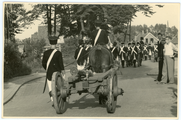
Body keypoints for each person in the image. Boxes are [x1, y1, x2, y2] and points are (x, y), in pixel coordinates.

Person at [42, 36, 65, 103]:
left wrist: (47, 69)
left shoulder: (45, 53)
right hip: (57, 73)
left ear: (49, 43)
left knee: (50, 87)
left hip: (49, 73)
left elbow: (43, 63)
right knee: (60, 86)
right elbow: (61, 64)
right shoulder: (58, 53)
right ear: (56, 43)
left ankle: (53, 100)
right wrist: (62, 70)